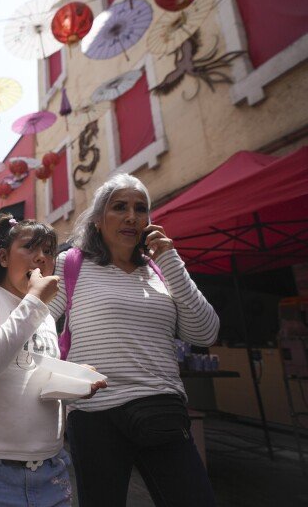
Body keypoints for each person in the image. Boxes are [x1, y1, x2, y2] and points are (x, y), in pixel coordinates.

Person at [49, 173, 219, 507]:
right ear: (99, 220)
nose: (132, 217)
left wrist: (169, 259)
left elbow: (205, 332)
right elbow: (38, 325)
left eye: (141, 209)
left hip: (161, 407)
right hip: (95, 414)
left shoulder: (160, 270)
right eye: (120, 207)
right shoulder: (71, 264)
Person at [0, 214, 106, 507]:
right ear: (3, 257)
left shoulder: (44, 314)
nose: (41, 258)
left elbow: (37, 377)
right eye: (29, 248)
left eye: (48, 251)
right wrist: (34, 301)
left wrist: (75, 380)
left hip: (51, 466)